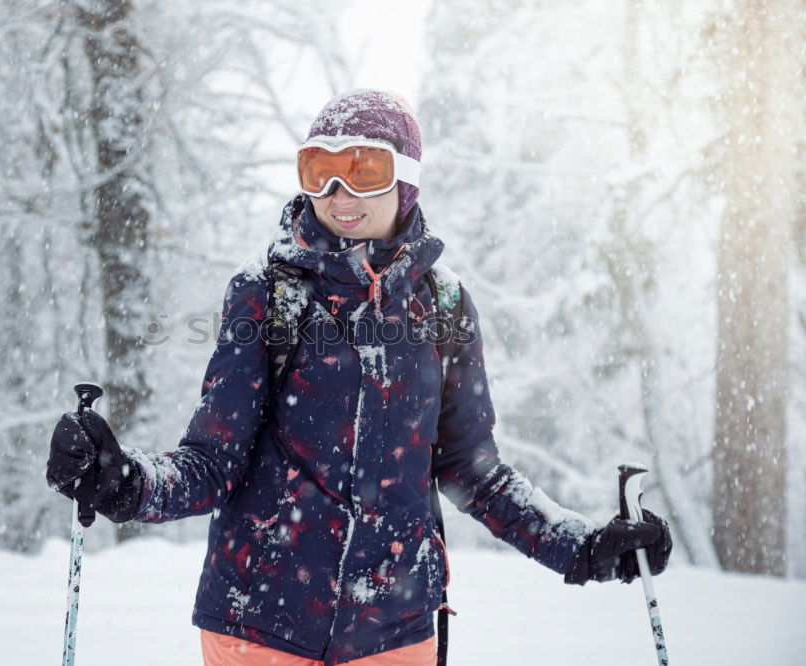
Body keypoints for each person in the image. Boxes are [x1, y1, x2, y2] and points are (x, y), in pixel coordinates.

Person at [46, 89, 672, 666]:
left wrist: (582, 547)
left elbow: (472, 471)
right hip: (260, 626)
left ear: (406, 181)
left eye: (364, 169)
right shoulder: (267, 294)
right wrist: (124, 483)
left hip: (394, 632)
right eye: (321, 170)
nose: (340, 193)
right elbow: (213, 462)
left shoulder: (444, 305)